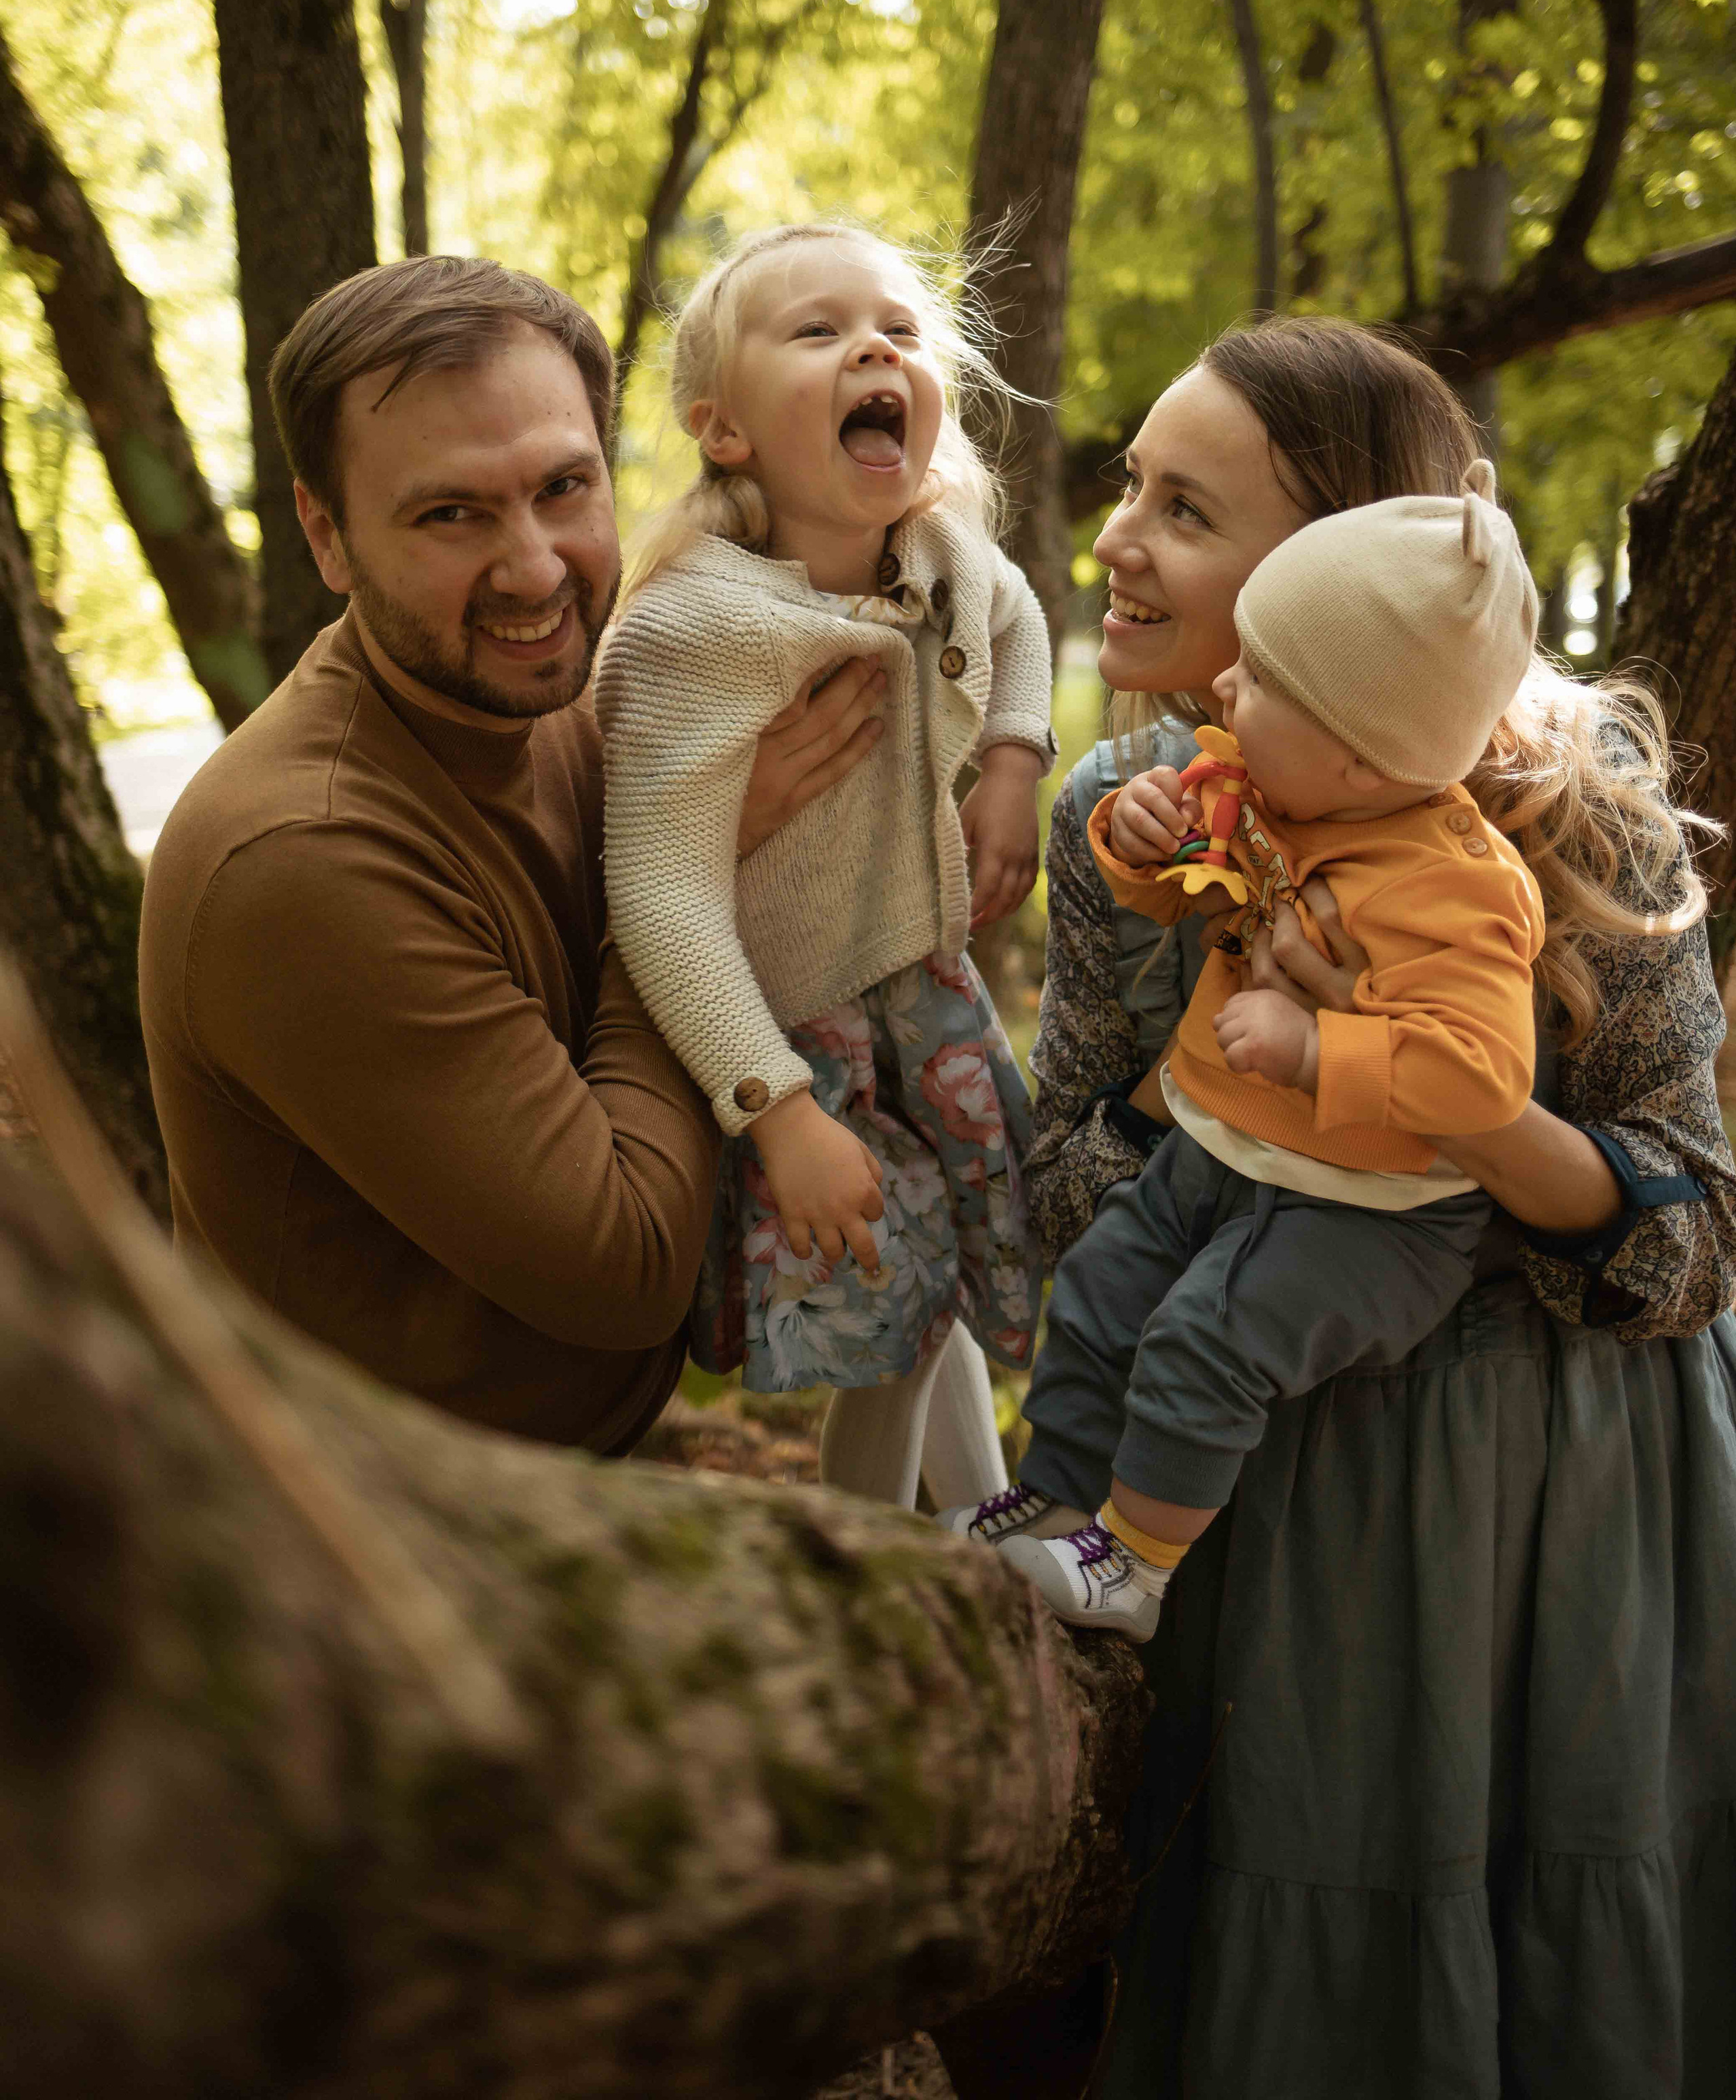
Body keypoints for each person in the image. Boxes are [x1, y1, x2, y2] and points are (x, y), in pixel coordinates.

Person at [937, 316, 1736, 2100]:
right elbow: (1060, 1179)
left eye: (1184, 510)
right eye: (1129, 487)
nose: (1116, 542)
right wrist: (1208, 1060)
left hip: (1542, 1494)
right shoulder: (1115, 814)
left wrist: (1441, 1106)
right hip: (1234, 1463)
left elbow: (1695, 1251)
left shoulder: (1580, 823)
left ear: (1348, 576)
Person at [139, 255, 888, 1451]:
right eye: (452, 513)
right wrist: (690, 876)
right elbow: (632, 1260)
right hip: (385, 1550)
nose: (535, 567)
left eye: (563, 486)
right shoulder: (300, 862)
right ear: (326, 537)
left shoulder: (577, 704)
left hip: (556, 1483)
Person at [952, 463, 1555, 1642]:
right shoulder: (1272, 787)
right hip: (1224, 1153)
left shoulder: (1459, 894)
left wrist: (1322, 1045)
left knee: (1203, 1340)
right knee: (1106, 1292)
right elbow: (1190, 891)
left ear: (1368, 757)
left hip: (1364, 1207)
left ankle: (1132, 1566)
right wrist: (1141, 846)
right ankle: (1060, 1491)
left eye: (1265, 677)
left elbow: (1486, 1078)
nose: (1228, 679)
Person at [594, 221, 1053, 1508]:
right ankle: (874, 1568)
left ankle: (981, 1527)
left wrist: (1013, 760)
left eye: (902, 330)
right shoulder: (697, 629)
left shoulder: (940, 553)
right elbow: (661, 887)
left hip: (924, 985)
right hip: (789, 1027)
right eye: (817, 331)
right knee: (886, 1303)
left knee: (942, 1277)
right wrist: (778, 1110)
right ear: (724, 429)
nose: (874, 347)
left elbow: (1014, 615)